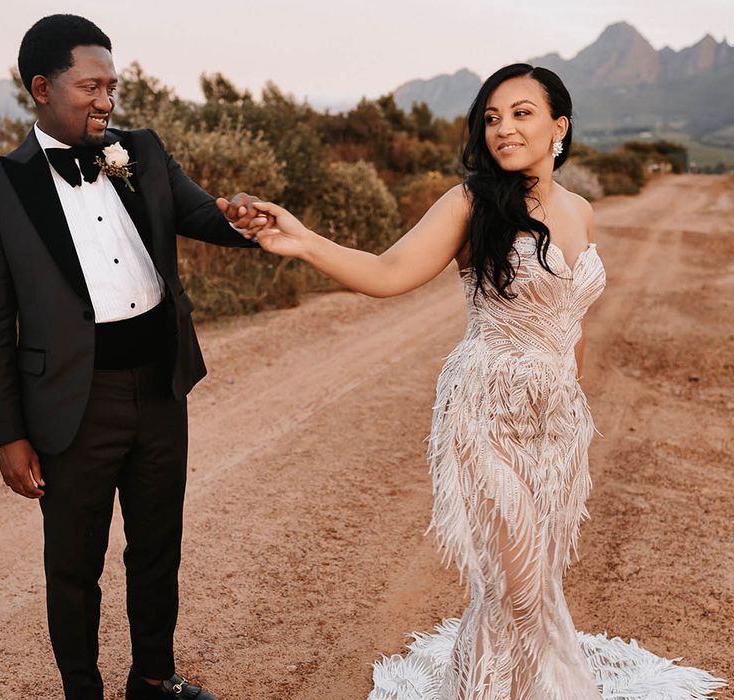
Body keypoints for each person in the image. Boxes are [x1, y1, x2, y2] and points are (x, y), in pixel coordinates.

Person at [234, 64, 728, 698]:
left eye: (522, 113)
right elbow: (388, 273)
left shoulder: (581, 211)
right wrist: (303, 243)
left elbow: (569, 326)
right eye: (492, 117)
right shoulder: (471, 202)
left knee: (530, 584)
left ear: (560, 126)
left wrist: (567, 407)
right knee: (517, 586)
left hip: (556, 423)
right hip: (484, 411)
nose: (503, 128)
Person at [0, 14, 267, 700]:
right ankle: (83, 692)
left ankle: (154, 678)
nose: (106, 101)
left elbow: (201, 214)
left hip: (160, 385)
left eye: (112, 86)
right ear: (42, 88)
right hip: (71, 403)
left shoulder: (142, 151)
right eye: (90, 87)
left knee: (158, 547)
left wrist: (247, 219)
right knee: (73, 566)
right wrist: (9, 436)